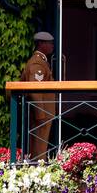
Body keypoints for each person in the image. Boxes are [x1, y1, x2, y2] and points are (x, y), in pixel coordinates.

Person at [19, 31, 59, 159]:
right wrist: (40, 114)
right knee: (39, 148)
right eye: (49, 43)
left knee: (40, 146)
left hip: (44, 113)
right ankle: (37, 170)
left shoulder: (41, 61)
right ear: (41, 44)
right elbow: (35, 90)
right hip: (41, 114)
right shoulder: (37, 63)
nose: (52, 46)